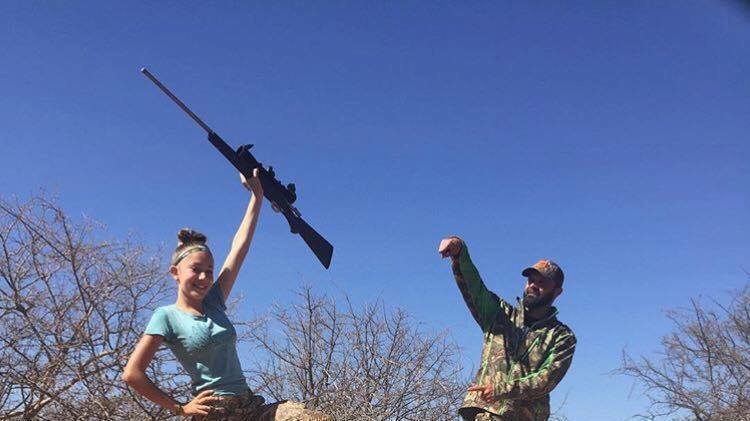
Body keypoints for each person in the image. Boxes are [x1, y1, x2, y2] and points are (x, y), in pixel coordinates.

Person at [123, 170, 331, 421]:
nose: (204, 277)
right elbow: (132, 373)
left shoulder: (214, 301)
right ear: (175, 272)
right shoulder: (166, 316)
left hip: (249, 406)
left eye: (209, 271)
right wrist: (180, 408)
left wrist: (257, 195)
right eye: (195, 270)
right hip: (215, 413)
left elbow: (239, 247)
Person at [438, 236, 576, 421]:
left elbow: (546, 379)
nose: (533, 286)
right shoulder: (499, 314)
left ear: (557, 292)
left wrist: (500, 390)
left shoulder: (562, 336)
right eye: (530, 280)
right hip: (483, 413)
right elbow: (474, 287)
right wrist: (460, 253)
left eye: (541, 283)